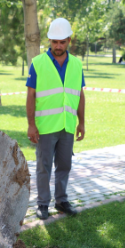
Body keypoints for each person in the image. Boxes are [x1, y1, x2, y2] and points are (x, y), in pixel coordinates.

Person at [25, 18, 86, 220]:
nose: (58, 46)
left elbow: (79, 94)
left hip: (67, 125)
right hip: (45, 127)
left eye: (62, 42)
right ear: (49, 41)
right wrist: (31, 125)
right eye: (54, 42)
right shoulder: (38, 63)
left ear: (69, 40)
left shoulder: (77, 64)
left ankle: (61, 201)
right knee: (44, 167)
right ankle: (42, 204)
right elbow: (31, 95)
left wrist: (82, 122)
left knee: (64, 166)